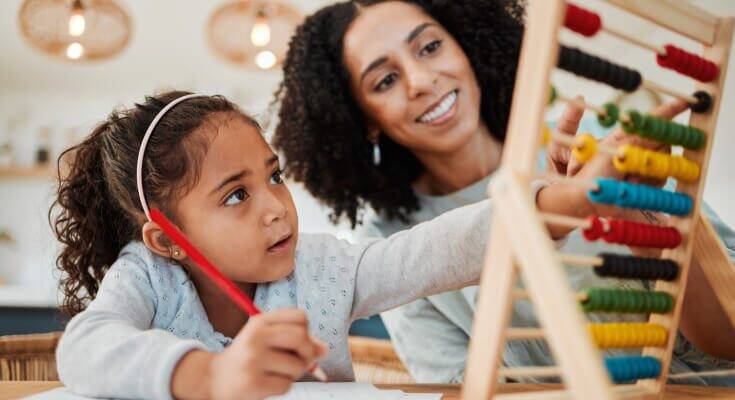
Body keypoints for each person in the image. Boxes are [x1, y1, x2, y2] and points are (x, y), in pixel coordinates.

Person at [273, 0, 735, 385]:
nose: (421, 81)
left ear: (466, 44)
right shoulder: (393, 245)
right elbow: (460, 389)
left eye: (430, 47)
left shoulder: (598, 144)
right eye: (385, 81)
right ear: (363, 118)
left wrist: (645, 227)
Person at [50, 91, 602, 399]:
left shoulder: (321, 268)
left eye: (274, 176)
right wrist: (211, 375)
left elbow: (429, 252)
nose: (274, 205)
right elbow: (84, 349)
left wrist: (544, 206)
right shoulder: (148, 275)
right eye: (236, 195)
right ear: (167, 240)